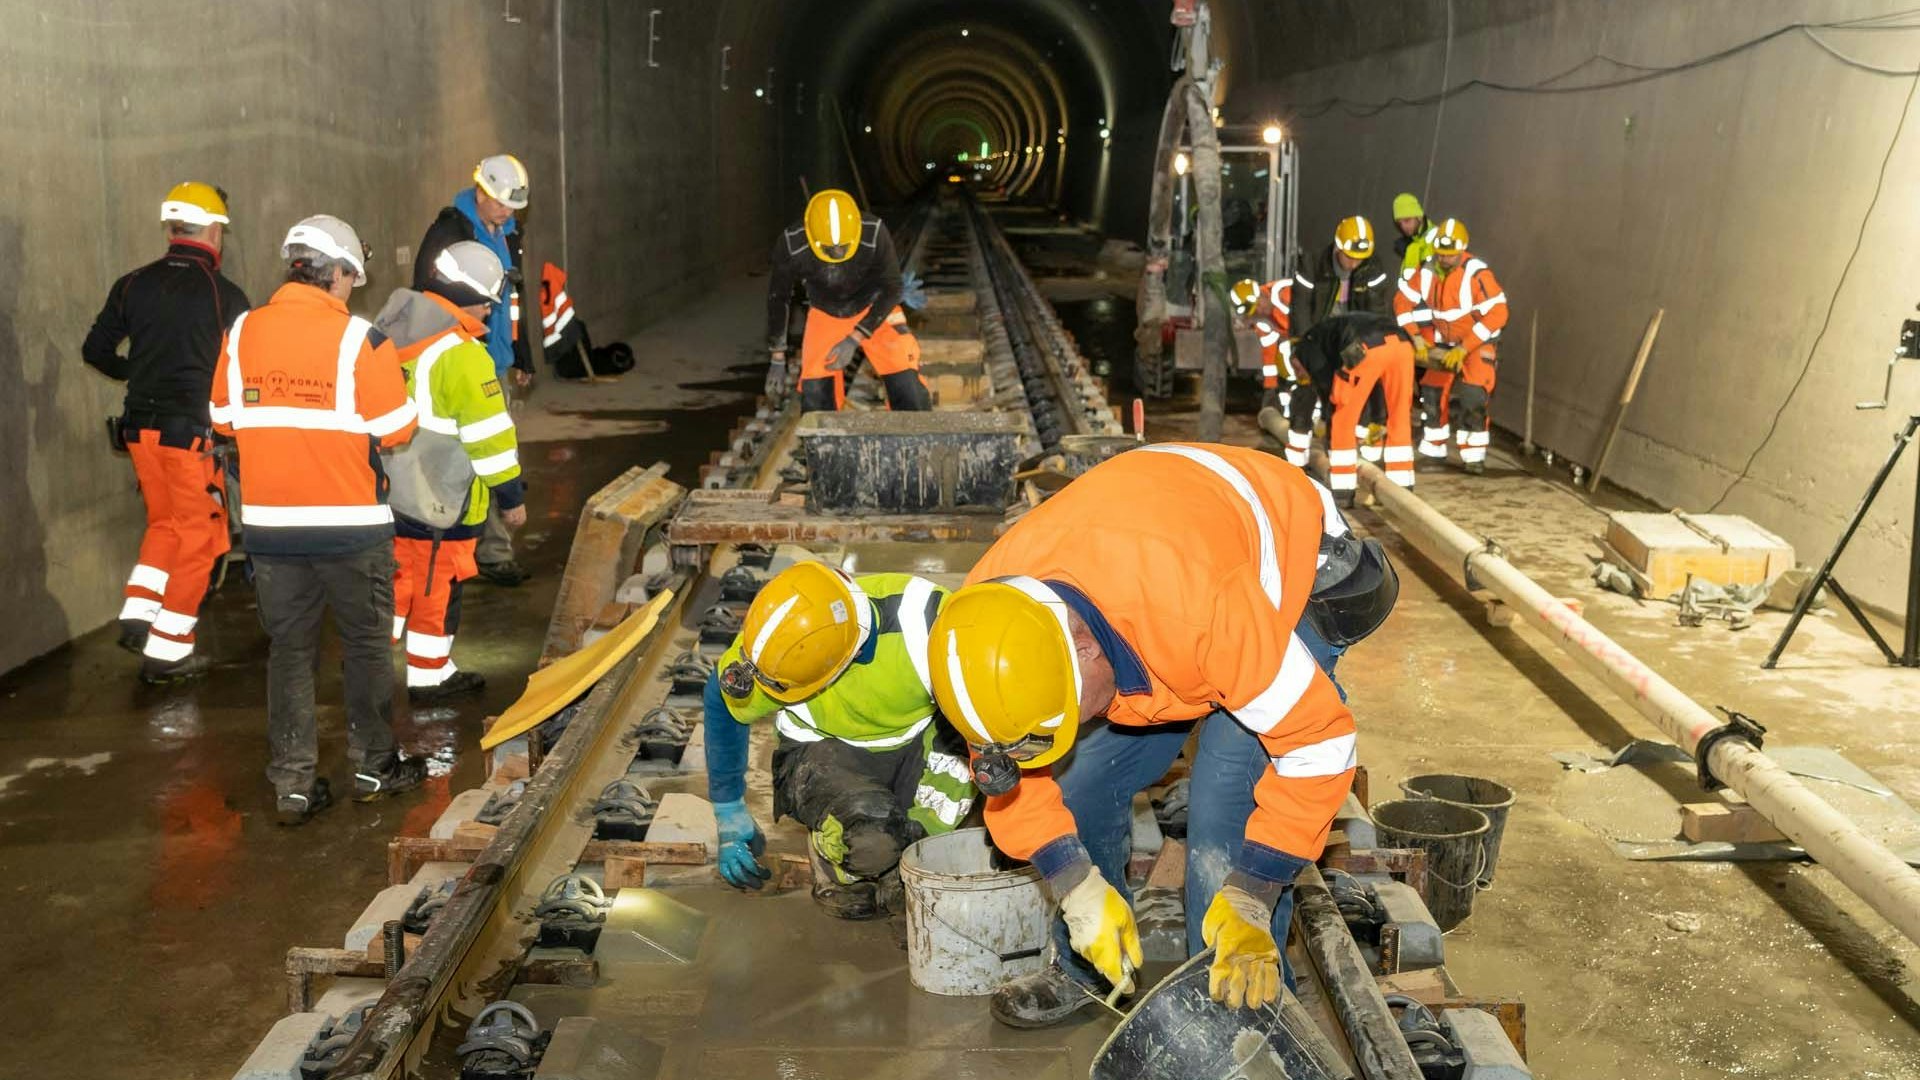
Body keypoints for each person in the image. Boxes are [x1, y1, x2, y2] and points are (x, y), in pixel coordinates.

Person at [927, 443, 1398, 1027]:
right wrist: (1074, 885)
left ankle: (1239, 1014)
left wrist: (1252, 891)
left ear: (1082, 648)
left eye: (1067, 713)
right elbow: (1009, 768)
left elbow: (1318, 744)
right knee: (1083, 777)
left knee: (1224, 805)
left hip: (1289, 565)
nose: (1068, 730)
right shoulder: (987, 637)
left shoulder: (1205, 616)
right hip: (1156, 575)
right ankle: (1086, 971)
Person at [210, 215, 428, 825]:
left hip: (271, 530)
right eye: (351, 277)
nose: (352, 288)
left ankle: (293, 785)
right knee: (363, 647)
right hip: (351, 527)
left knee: (289, 652)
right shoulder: (362, 341)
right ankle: (372, 767)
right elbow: (397, 429)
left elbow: (223, 418)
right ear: (334, 273)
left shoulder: (243, 329)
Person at [703, 562, 973, 919]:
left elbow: (983, 717)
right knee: (873, 846)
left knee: (923, 862)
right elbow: (721, 701)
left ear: (848, 660)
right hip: (825, 752)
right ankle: (838, 868)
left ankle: (902, 860)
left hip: (922, 742)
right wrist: (728, 807)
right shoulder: (778, 645)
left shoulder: (930, 628)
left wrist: (928, 826)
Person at [82, 182, 252, 683]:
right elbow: (240, 374)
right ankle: (169, 650)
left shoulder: (133, 283)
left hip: (140, 432)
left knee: (165, 524)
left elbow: (95, 350)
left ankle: (139, 616)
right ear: (215, 230)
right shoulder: (227, 296)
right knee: (201, 539)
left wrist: (136, 373)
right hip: (191, 437)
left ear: (172, 227)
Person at [373, 241, 526, 702]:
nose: (487, 311)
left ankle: (374, 658)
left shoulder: (387, 330)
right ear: (471, 297)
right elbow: (491, 439)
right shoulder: (462, 354)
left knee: (402, 579)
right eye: (487, 303)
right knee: (437, 588)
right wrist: (511, 498)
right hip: (443, 497)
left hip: (390, 489)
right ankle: (428, 675)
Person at [415, 153, 534, 586]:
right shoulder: (450, 232)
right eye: (501, 204)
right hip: (461, 358)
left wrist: (521, 354)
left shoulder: (504, 232)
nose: (508, 213)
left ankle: (489, 549)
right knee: (474, 453)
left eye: (513, 207)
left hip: (492, 354)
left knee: (491, 450)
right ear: (480, 192)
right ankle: (477, 550)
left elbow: (513, 300)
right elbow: (426, 297)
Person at [765, 189, 930, 413]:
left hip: (874, 305)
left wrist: (855, 338)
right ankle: (825, 443)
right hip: (826, 312)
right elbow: (778, 297)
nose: (837, 253)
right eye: (829, 250)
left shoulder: (873, 232)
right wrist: (777, 357)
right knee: (816, 397)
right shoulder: (792, 243)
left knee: (907, 383)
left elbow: (892, 287)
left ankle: (913, 435)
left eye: (843, 248)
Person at [1289, 217, 1397, 466]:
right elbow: (1301, 308)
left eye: (1360, 258)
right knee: (1307, 388)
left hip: (1353, 338)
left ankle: (1356, 454)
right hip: (1318, 335)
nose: (1354, 263)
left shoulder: (1372, 269)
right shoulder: (1313, 265)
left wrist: (1368, 348)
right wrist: (1300, 347)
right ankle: (1296, 458)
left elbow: (1376, 311)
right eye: (1350, 257)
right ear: (1338, 248)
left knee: (1355, 388)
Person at [1419, 219, 1508, 474]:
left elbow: (1498, 313)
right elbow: (1406, 303)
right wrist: (1419, 337)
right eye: (1441, 254)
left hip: (1477, 342)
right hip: (1443, 342)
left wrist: (1465, 346)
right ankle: (1435, 449)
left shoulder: (1477, 274)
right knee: (1432, 392)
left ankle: (1473, 454)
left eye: (1450, 254)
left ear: (1461, 251)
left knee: (1473, 395)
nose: (1445, 259)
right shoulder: (1427, 272)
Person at [1303, 313, 1418, 500]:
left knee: (1342, 413)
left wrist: (1326, 416)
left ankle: (1343, 488)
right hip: (1403, 343)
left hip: (1366, 347)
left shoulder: (1309, 345)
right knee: (1400, 413)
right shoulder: (1333, 327)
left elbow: (1330, 388)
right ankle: (1402, 485)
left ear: (1296, 359)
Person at [1391, 193, 1437, 272]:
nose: (1403, 227)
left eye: (1407, 220)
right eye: (1399, 223)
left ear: (1419, 217)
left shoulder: (1438, 238)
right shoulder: (1409, 245)